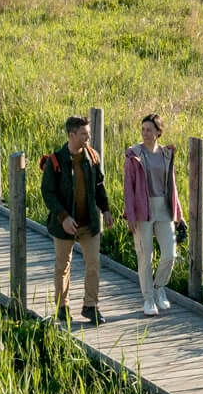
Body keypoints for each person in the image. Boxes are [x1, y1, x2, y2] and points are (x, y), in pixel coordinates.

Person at [40, 114, 112, 324]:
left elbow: (99, 185)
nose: (87, 137)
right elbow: (48, 193)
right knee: (63, 266)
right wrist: (63, 217)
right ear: (72, 135)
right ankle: (62, 307)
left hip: (89, 222)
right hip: (65, 225)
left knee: (93, 264)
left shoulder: (92, 157)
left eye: (88, 133)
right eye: (84, 134)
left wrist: (105, 209)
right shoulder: (55, 160)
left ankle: (91, 306)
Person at [123, 113, 185, 316]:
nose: (145, 133)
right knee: (145, 256)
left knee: (170, 254)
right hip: (142, 210)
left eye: (149, 129)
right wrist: (130, 215)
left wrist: (179, 214)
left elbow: (172, 186)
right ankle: (148, 299)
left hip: (164, 209)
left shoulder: (166, 154)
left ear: (159, 132)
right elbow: (128, 188)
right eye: (143, 129)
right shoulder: (134, 154)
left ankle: (159, 288)